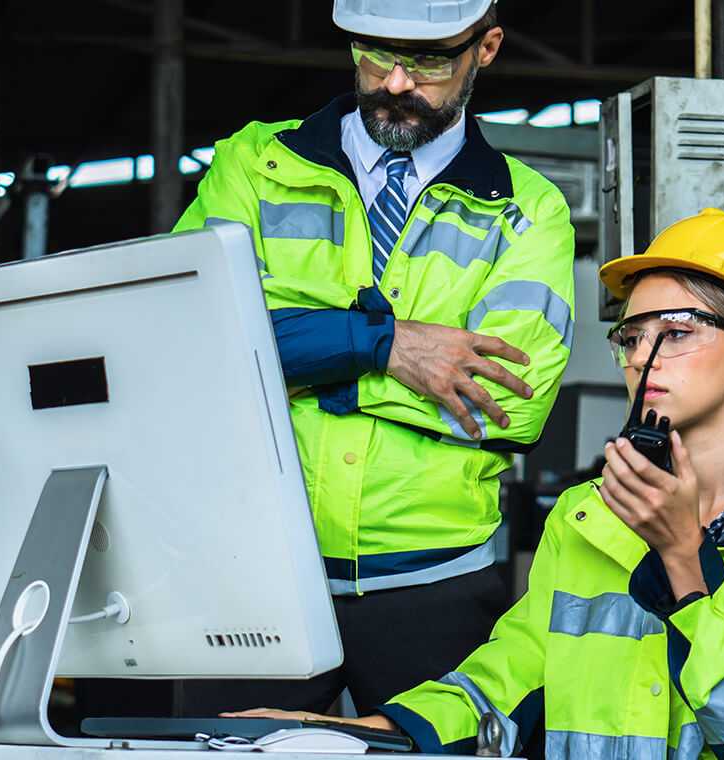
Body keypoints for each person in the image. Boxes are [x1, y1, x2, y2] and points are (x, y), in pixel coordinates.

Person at [231, 209, 724, 759]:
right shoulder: (588, 515)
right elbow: (514, 672)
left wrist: (685, 565)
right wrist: (362, 732)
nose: (643, 357)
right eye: (631, 337)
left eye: (676, 333)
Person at [172, 0, 577, 716]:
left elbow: (511, 402)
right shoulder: (256, 164)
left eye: (426, 60)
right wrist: (383, 346)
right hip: (255, 576)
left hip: (432, 584)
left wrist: (290, 362)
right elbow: (183, 342)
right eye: (373, 53)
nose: (393, 83)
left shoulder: (527, 210)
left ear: (486, 48)